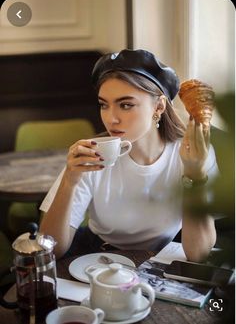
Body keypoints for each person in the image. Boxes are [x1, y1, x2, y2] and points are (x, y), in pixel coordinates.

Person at [39, 49, 218, 262]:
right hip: (98, 256)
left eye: (125, 105)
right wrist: (69, 181)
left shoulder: (191, 154)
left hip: (163, 258)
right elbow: (51, 249)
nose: (111, 118)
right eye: (104, 104)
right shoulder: (91, 154)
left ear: (158, 106)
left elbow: (199, 254)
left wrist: (194, 175)